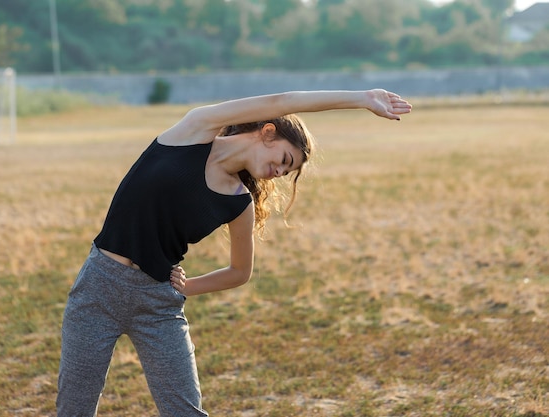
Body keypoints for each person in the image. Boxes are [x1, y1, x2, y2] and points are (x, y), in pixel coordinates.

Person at [56, 89, 412, 416]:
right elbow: (284, 100)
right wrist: (362, 98)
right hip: (99, 289)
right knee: (74, 409)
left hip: (157, 305)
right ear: (268, 132)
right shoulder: (195, 130)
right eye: (284, 159)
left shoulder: (238, 201)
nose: (279, 172)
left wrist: (186, 287)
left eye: (287, 172)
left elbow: (240, 272)